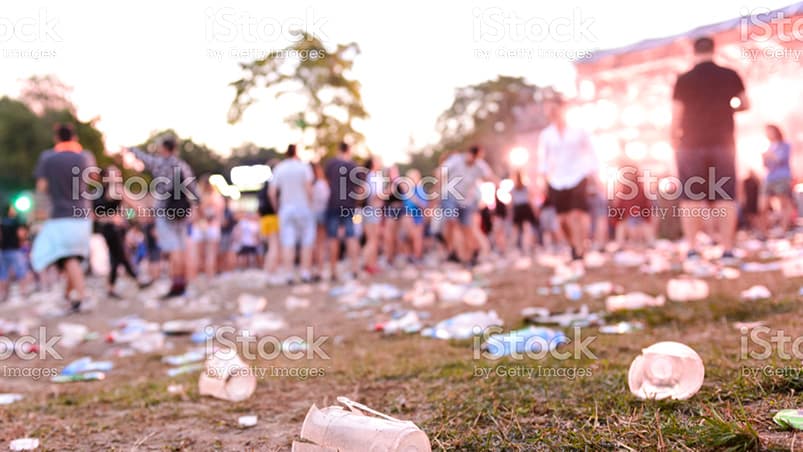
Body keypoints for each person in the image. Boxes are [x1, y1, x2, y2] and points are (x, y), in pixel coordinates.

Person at [670, 36, 749, 262]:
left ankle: (693, 248)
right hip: (723, 141)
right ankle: (727, 249)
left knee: (691, 196)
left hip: (690, 143)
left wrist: (673, 139)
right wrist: (728, 108)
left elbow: (677, 115)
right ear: (715, 50)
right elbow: (745, 103)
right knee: (725, 194)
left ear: (693, 52)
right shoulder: (729, 75)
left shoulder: (684, 79)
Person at [30, 123, 97, 313]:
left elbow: (41, 187)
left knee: (68, 257)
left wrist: (38, 213)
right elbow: (93, 178)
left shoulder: (48, 158)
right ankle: (69, 297)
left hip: (60, 215)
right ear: (75, 137)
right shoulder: (85, 156)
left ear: (56, 138)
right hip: (83, 214)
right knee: (70, 257)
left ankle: (82, 297)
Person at [127, 136, 199, 298]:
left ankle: (176, 285)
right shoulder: (183, 165)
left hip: (164, 211)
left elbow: (143, 158)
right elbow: (193, 189)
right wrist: (195, 206)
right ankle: (182, 283)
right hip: (182, 212)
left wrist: (131, 148)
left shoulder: (160, 163)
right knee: (181, 248)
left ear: (163, 148)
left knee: (173, 250)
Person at [536, 96, 598, 270]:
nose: (552, 113)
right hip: (556, 180)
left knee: (576, 215)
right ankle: (573, 246)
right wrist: (542, 181)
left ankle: (580, 249)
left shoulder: (578, 130)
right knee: (562, 220)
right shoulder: (546, 135)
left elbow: (591, 152)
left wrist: (593, 174)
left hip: (578, 176)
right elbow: (543, 159)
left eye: (555, 109)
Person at [440, 146, 497, 265]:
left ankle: (468, 258)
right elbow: (442, 171)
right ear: (469, 154)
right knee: (451, 222)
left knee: (467, 229)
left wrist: (499, 183)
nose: (475, 160)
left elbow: (490, 176)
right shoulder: (456, 160)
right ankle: (450, 250)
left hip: (466, 200)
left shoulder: (479, 165)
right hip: (450, 196)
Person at [93, 165, 143, 298]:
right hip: (106, 228)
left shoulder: (118, 189)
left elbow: (135, 206)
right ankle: (137, 279)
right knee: (119, 255)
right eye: (113, 172)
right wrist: (111, 217)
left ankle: (112, 287)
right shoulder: (99, 192)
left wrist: (126, 217)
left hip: (116, 229)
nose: (116, 174)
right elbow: (93, 214)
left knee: (117, 256)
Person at [270, 144, 315, 284]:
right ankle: (305, 273)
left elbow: (271, 193)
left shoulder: (279, 168)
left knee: (287, 243)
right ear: (297, 153)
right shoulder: (304, 167)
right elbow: (309, 189)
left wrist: (277, 208)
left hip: (286, 208)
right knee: (306, 242)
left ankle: (288, 274)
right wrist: (310, 204)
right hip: (303, 208)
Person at [324, 142, 361, 280]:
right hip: (349, 206)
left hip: (333, 204)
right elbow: (360, 189)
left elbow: (326, 183)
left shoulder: (330, 164)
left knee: (333, 238)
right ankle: (355, 268)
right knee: (351, 237)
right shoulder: (353, 166)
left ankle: (333, 271)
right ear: (349, 150)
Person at [761, 124, 795, 234]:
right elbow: (766, 165)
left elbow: (780, 159)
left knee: (784, 204)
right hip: (769, 177)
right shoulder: (769, 147)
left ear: (776, 131)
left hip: (782, 177)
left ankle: (783, 230)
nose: (768, 134)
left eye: (770, 131)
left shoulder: (785, 145)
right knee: (762, 205)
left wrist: (769, 155)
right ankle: (765, 231)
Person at [192, 176, 225, 277]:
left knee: (198, 255)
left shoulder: (198, 197)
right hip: (213, 227)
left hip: (199, 226)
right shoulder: (217, 197)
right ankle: (210, 277)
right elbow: (220, 214)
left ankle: (198, 277)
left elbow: (194, 215)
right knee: (211, 254)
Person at [0, 205, 30, 300]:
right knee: (21, 271)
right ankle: (24, 292)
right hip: (15, 249)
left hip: (3, 250)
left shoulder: (2, 222)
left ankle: (3, 295)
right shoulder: (16, 221)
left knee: (3, 273)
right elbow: (21, 234)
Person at [257, 160, 280, 276]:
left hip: (264, 219)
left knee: (270, 246)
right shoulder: (274, 184)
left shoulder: (264, 184)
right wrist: (277, 210)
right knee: (274, 246)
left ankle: (269, 269)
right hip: (272, 218)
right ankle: (270, 271)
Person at [361, 156, 384, 274]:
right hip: (373, 210)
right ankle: (366, 263)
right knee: (372, 240)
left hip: (369, 210)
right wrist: (388, 191)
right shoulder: (374, 176)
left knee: (373, 239)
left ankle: (371, 265)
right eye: (378, 160)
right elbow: (376, 196)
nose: (381, 162)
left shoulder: (369, 176)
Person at [400, 169, 427, 263]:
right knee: (406, 237)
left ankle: (417, 257)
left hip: (417, 215)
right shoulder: (408, 189)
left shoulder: (419, 189)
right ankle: (410, 256)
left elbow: (423, 205)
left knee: (417, 237)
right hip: (408, 215)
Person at [311, 162, 330, 280]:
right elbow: (326, 199)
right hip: (321, 214)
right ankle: (319, 269)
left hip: (312, 214)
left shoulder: (311, 185)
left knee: (314, 243)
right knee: (321, 244)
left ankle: (314, 269)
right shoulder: (322, 184)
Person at [510, 171, 537, 254]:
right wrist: (534, 209)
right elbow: (530, 199)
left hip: (519, 209)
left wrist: (511, 212)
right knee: (527, 229)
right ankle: (530, 246)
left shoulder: (514, 189)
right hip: (524, 208)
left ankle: (523, 246)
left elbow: (512, 202)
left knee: (520, 230)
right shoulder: (524, 187)